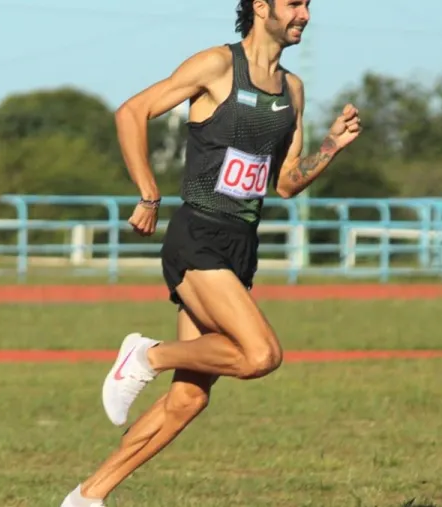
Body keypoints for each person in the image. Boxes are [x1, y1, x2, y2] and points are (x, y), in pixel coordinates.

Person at [60, 1, 361, 505]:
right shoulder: (217, 66)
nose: (304, 14)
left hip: (241, 246)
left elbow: (284, 183)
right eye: (293, 3)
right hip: (197, 234)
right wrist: (148, 193)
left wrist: (330, 146)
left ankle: (87, 497)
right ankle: (145, 355)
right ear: (260, 7)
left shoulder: (293, 90)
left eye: (309, 5)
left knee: (187, 400)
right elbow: (132, 111)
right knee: (260, 354)